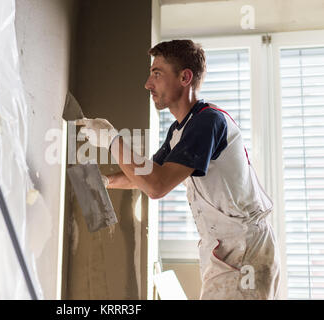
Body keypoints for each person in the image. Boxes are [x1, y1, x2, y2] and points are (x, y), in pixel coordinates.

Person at [77, 39, 280, 300]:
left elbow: (156, 186)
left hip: (245, 254)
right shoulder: (180, 130)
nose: (148, 84)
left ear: (185, 77)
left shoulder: (209, 121)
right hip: (225, 250)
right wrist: (103, 181)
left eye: (157, 74)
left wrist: (112, 140)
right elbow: (149, 172)